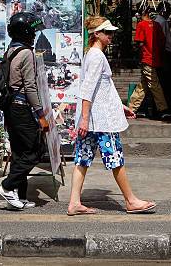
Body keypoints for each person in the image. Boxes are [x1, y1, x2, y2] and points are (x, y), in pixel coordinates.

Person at [68, 16, 156, 216]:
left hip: (92, 118)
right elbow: (88, 88)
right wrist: (84, 117)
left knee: (82, 158)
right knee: (115, 159)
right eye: (107, 33)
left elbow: (102, 89)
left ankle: (74, 202)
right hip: (101, 120)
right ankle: (131, 200)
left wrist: (120, 106)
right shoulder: (97, 56)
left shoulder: (92, 54)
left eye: (111, 32)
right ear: (96, 34)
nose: (111, 36)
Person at [0, 12, 49, 209]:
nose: (35, 35)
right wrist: (41, 115)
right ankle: (7, 186)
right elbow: (30, 87)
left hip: (10, 109)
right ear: (25, 32)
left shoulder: (11, 50)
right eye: (33, 31)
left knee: (19, 152)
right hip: (21, 108)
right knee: (35, 151)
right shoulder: (26, 53)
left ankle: (18, 197)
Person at [128, 7, 171, 120]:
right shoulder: (157, 25)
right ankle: (131, 108)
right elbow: (162, 41)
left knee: (152, 85)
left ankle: (163, 109)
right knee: (144, 85)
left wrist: (139, 57)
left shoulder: (141, 25)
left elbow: (140, 43)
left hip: (147, 58)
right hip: (155, 58)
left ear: (143, 13)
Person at [154, 3, 171, 108]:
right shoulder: (162, 22)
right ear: (163, 11)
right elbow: (164, 40)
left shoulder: (156, 20)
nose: (169, 13)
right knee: (169, 81)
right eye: (168, 11)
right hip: (166, 53)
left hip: (163, 53)